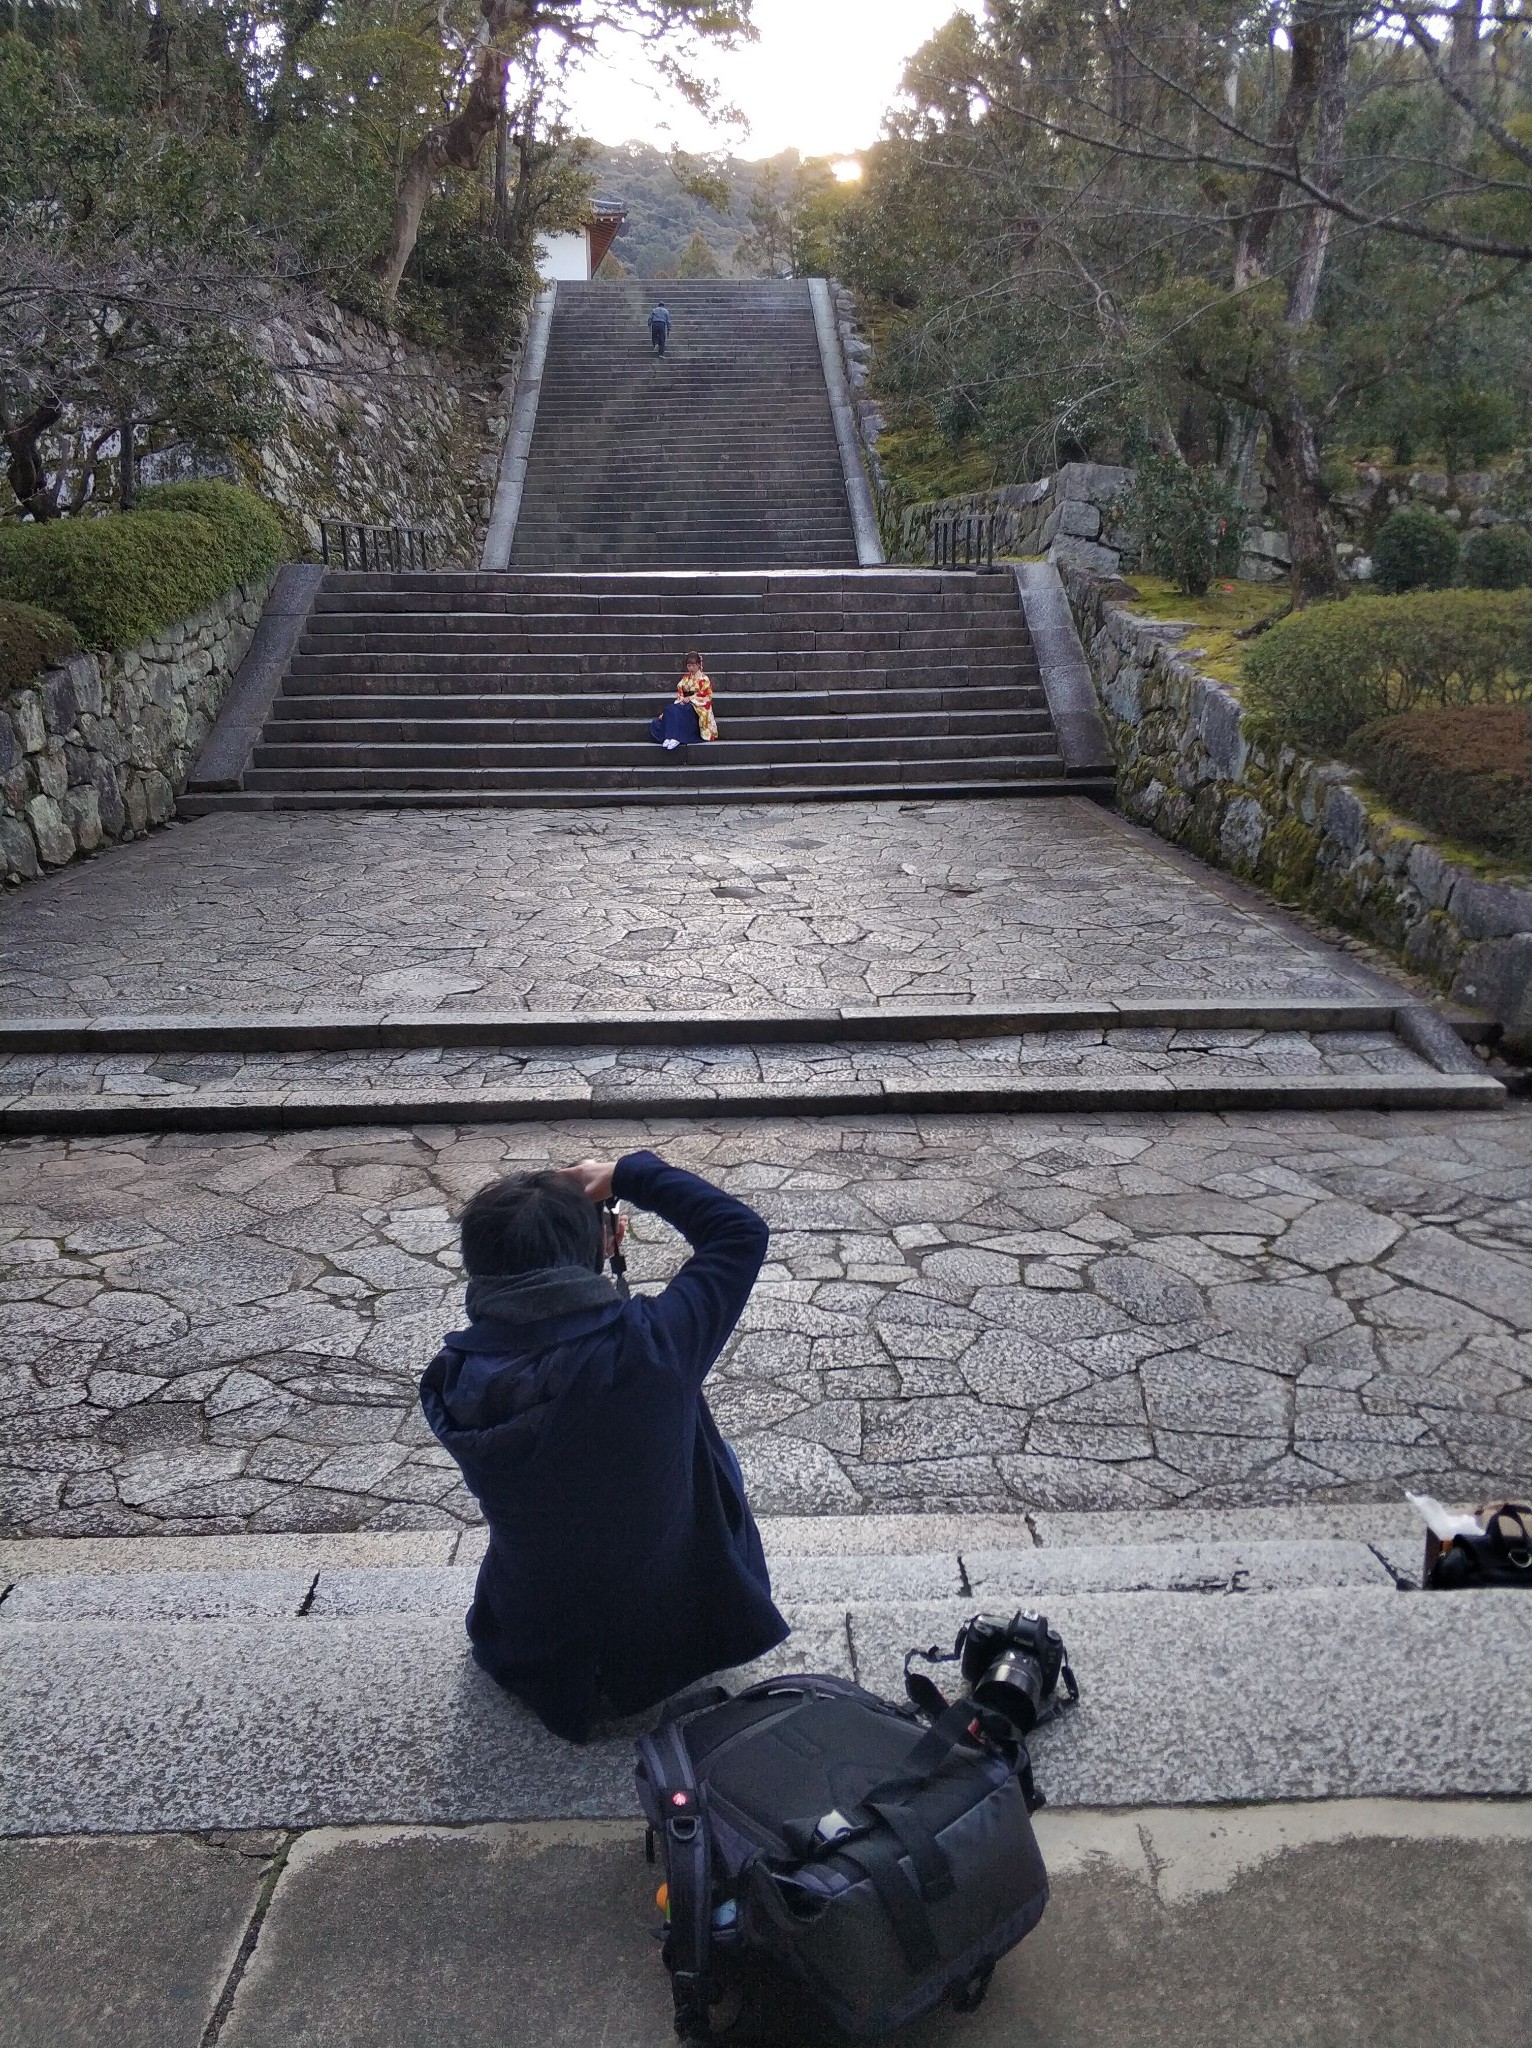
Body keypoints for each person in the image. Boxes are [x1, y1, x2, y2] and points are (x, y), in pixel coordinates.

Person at [419, 1153, 787, 1744]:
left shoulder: (453, 1372)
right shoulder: (651, 1347)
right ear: (606, 1240)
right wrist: (626, 1174)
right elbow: (739, 1230)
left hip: (524, 1633)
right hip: (667, 1632)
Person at [648, 650, 717, 751]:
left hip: (698, 707)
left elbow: (706, 696)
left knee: (682, 712)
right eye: (689, 666)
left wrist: (691, 698)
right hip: (684, 702)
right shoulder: (685, 678)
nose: (691, 668)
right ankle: (669, 737)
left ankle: (676, 737)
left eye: (693, 665)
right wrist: (681, 701)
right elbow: (680, 695)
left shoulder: (704, 679)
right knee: (669, 710)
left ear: (698, 665)